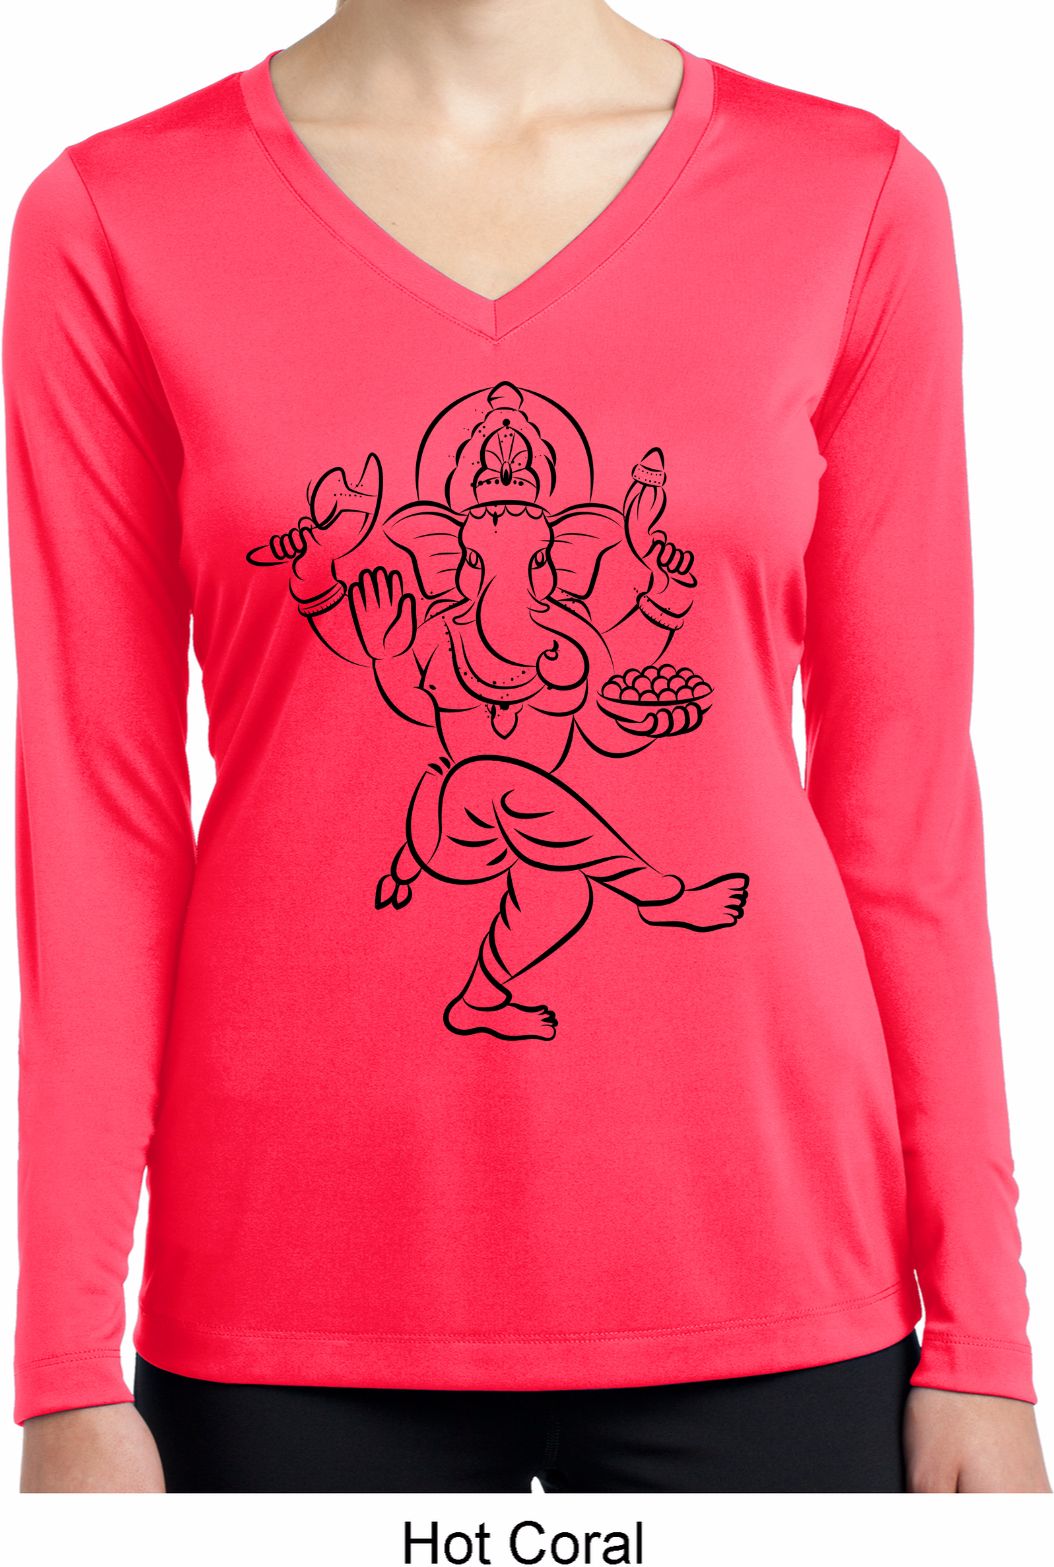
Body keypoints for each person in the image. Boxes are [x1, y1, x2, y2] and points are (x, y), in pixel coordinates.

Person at [6, 0, 1049, 1493]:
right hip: (292, 1304)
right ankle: (643, 886)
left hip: (773, 1279)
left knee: (536, 844)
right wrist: (63, 1364)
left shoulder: (852, 197)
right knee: (499, 786)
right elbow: (96, 827)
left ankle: (524, 959)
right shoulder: (115, 221)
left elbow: (908, 817)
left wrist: (983, 1340)